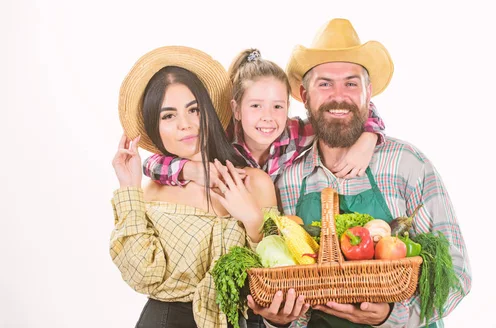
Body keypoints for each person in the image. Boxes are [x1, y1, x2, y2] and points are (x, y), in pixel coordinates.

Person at [276, 18, 472, 327]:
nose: (338, 96)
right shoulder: (289, 179)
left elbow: (456, 274)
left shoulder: (407, 165)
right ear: (304, 94)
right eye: (325, 83)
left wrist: (392, 315)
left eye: (351, 83)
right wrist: (281, 320)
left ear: (369, 93)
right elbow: (293, 284)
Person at [110, 46, 308, 328]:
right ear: (155, 127)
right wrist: (127, 187)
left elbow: (276, 272)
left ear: (209, 113)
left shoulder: (254, 182)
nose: (185, 125)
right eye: (168, 116)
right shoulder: (151, 192)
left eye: (194, 110)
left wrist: (252, 220)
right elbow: (141, 275)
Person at [141, 48, 386, 192]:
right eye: (256, 106)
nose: (268, 118)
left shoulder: (295, 133)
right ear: (236, 109)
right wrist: (192, 170)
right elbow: (152, 164)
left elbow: (344, 110)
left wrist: (368, 138)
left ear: (289, 107)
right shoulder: (219, 136)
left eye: (277, 106)